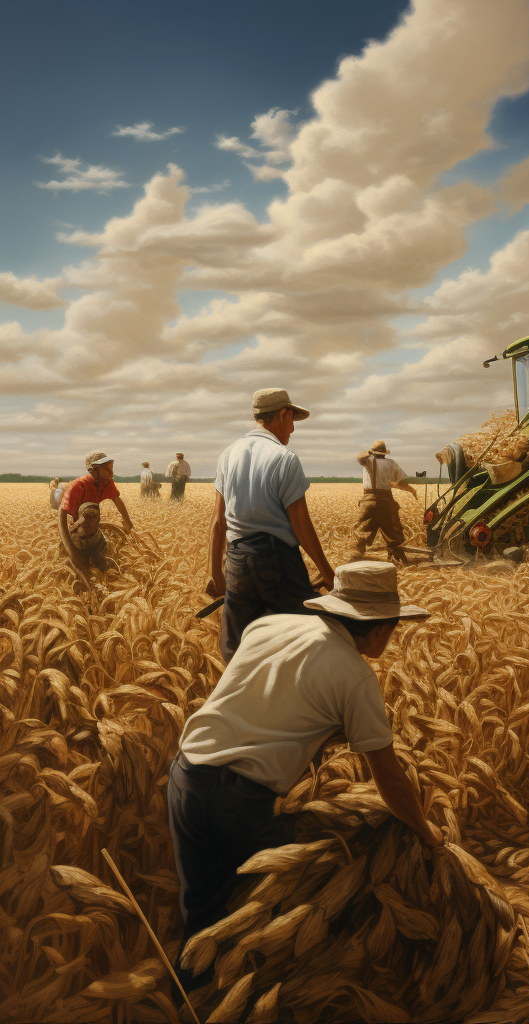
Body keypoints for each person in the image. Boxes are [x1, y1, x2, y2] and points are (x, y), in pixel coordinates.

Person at [167, 560, 441, 997]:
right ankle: (284, 1000)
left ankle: (192, 999)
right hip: (239, 802)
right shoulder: (356, 678)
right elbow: (389, 780)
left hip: (185, 777)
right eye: (391, 629)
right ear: (377, 629)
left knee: (204, 915)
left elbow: (265, 700)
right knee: (308, 897)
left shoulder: (268, 625)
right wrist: (426, 834)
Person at [208, 388, 336, 662]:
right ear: (283, 415)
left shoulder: (227, 455)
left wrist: (216, 573)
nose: (292, 430)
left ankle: (238, 698)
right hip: (277, 561)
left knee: (236, 648)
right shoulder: (284, 458)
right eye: (291, 421)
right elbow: (301, 524)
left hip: (237, 561)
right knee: (309, 635)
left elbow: (219, 520)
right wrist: (327, 572)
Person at [59, 451, 133, 567]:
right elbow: (61, 515)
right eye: (106, 469)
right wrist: (71, 549)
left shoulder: (106, 483)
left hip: (91, 526)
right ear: (93, 470)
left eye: (111, 468)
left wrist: (127, 521)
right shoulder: (77, 486)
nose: (111, 473)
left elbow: (117, 500)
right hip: (76, 529)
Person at [355, 440, 418, 564]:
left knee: (362, 532)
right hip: (386, 501)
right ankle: (397, 557)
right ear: (385, 453)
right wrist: (411, 490)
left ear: (373, 452)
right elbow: (400, 483)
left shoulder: (367, 461)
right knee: (393, 531)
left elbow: (359, 457)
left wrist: (370, 452)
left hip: (369, 501)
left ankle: (354, 557)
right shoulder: (391, 464)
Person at [66, 502, 110, 570]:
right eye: (86, 516)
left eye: (92, 516)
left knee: (96, 557)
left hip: (94, 543)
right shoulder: (75, 535)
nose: (89, 520)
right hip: (80, 547)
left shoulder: (98, 537)